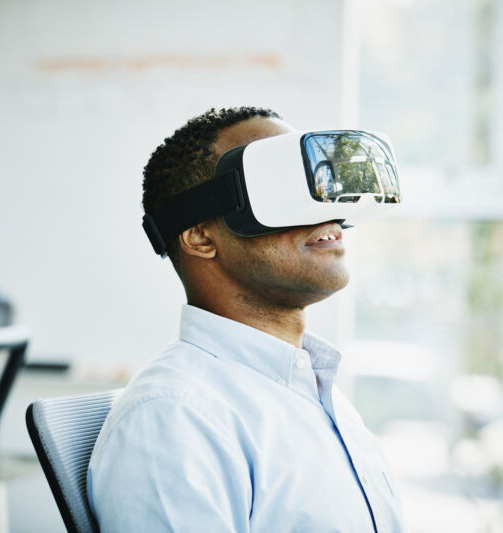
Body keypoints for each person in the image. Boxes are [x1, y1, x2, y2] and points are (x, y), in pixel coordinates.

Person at [87, 107, 405, 532]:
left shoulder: (316, 393)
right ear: (200, 236)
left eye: (319, 185)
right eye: (283, 188)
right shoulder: (176, 419)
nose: (326, 210)